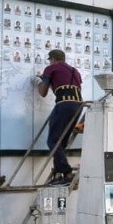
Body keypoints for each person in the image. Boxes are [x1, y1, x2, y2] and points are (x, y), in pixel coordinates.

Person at [34, 49, 82, 185]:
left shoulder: (51, 68)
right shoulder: (74, 71)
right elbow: (66, 86)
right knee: (61, 142)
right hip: (78, 106)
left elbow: (43, 92)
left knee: (53, 141)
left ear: (53, 59)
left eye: (50, 60)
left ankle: (67, 173)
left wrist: (39, 81)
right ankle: (59, 174)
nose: (50, 62)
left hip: (64, 104)